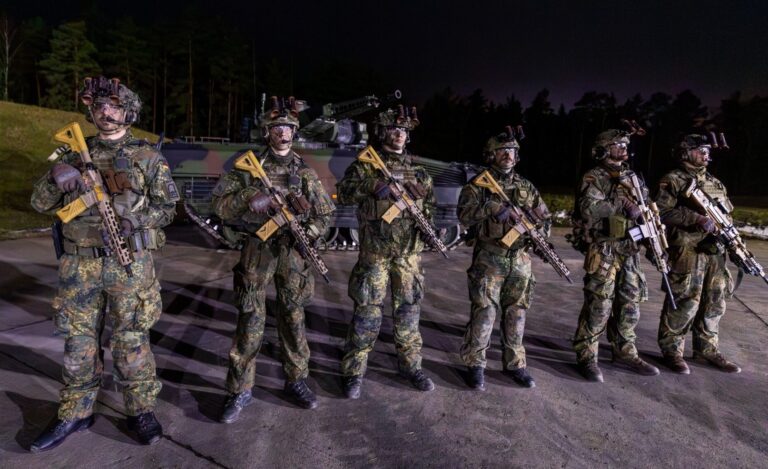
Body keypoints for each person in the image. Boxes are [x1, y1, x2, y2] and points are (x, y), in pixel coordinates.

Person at [30, 76, 178, 451]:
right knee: (77, 342)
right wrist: (56, 176)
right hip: (79, 266)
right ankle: (75, 412)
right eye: (98, 106)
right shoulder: (71, 154)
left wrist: (135, 221)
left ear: (129, 112)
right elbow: (39, 203)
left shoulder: (148, 158)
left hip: (129, 265)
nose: (105, 112)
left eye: (113, 106)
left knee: (131, 340)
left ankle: (140, 411)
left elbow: (167, 209)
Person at [212, 96, 335, 422]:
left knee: (293, 318)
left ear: (294, 132)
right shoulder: (247, 167)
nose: (283, 132)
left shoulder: (304, 172)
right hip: (257, 250)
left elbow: (325, 214)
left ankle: (296, 380)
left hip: (292, 253)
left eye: (288, 127)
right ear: (267, 131)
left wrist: (308, 231)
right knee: (250, 319)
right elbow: (219, 206)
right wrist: (249, 196)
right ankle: (239, 389)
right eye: (277, 127)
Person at [338, 105, 436, 398]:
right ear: (382, 132)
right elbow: (344, 193)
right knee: (367, 313)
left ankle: (411, 367)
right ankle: (354, 371)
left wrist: (430, 228)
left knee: (409, 312)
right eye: (394, 129)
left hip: (409, 257)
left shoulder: (419, 172)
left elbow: (429, 206)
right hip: (376, 255)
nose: (399, 134)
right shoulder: (365, 165)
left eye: (403, 130)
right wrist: (372, 185)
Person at [456, 127, 551, 390]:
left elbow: (545, 217)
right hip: (490, 258)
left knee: (517, 313)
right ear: (491, 154)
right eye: (502, 151)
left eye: (511, 151)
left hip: (520, 259)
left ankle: (515, 364)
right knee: (484, 312)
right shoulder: (478, 185)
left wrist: (539, 232)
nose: (508, 155)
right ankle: (475, 364)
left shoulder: (526, 186)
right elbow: (464, 215)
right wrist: (490, 207)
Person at [571, 129, 660, 382]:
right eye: (617, 144)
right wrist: (621, 204)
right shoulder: (595, 176)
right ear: (604, 148)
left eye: (625, 145)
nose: (623, 148)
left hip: (629, 249)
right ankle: (587, 355)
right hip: (605, 249)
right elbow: (588, 209)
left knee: (630, 303)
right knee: (599, 304)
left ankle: (624, 351)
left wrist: (650, 229)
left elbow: (644, 206)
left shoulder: (632, 176)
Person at [654, 134, 740, 374]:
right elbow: (660, 212)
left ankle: (707, 348)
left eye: (707, 150)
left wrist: (732, 241)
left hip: (714, 250)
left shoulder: (715, 183)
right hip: (687, 249)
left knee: (715, 300)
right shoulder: (673, 179)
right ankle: (672, 350)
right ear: (685, 152)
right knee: (685, 299)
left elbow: (726, 215)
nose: (705, 154)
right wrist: (695, 218)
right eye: (700, 150)